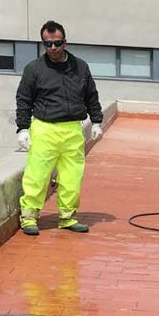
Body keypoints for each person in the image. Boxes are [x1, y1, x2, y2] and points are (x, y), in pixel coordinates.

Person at [15, 20, 103, 236]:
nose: (53, 48)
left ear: (65, 42)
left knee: (72, 176)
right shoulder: (34, 69)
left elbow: (91, 95)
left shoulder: (80, 67)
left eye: (57, 43)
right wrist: (23, 128)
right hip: (45, 129)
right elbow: (24, 100)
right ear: (43, 44)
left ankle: (67, 217)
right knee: (37, 175)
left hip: (73, 129)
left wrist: (97, 121)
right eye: (48, 44)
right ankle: (28, 217)